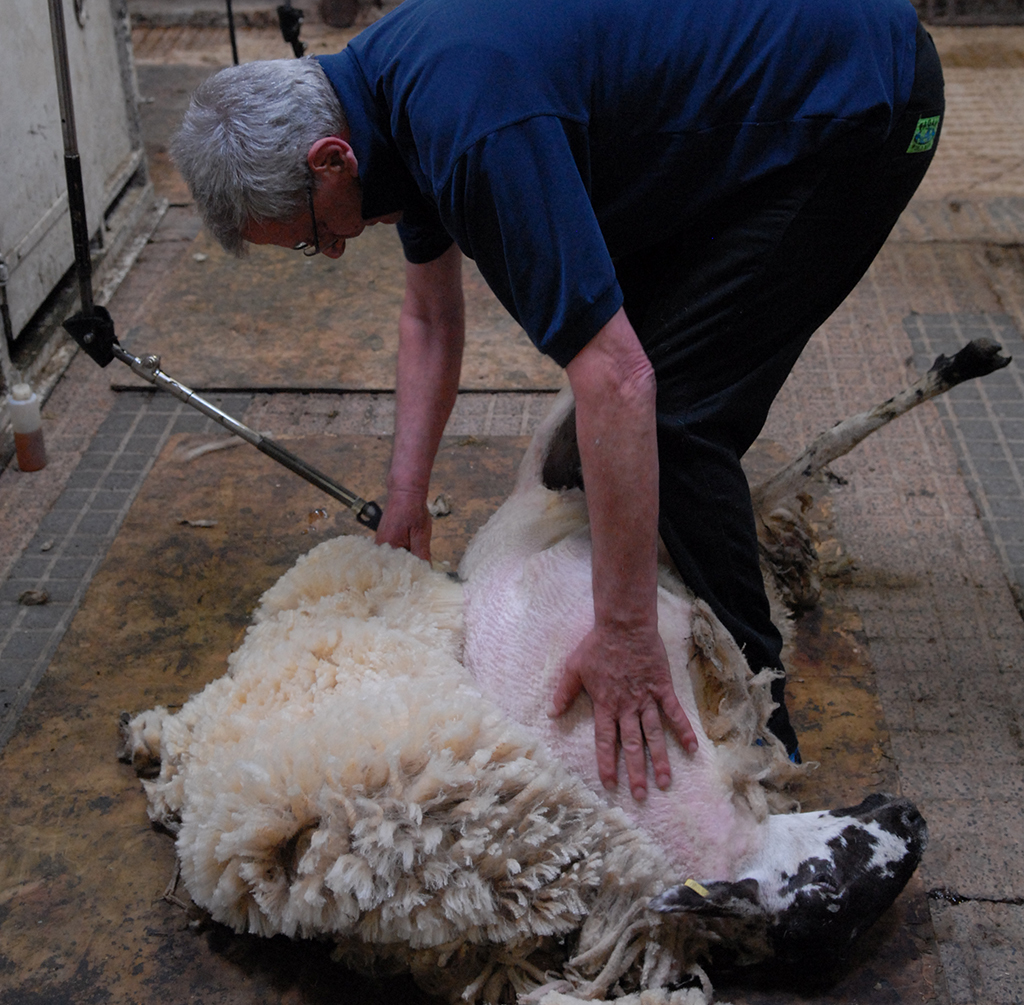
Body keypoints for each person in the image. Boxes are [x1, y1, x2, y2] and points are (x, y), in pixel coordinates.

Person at [171, 0, 944, 803]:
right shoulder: (380, 99)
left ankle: (761, 736)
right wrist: (406, 497)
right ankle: (687, 596)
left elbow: (621, 381)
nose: (329, 249)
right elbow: (429, 318)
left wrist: (625, 634)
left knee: (676, 420)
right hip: (741, 109)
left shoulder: (470, 127)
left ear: (330, 160)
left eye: (308, 233)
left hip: (864, 104)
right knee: (610, 421)